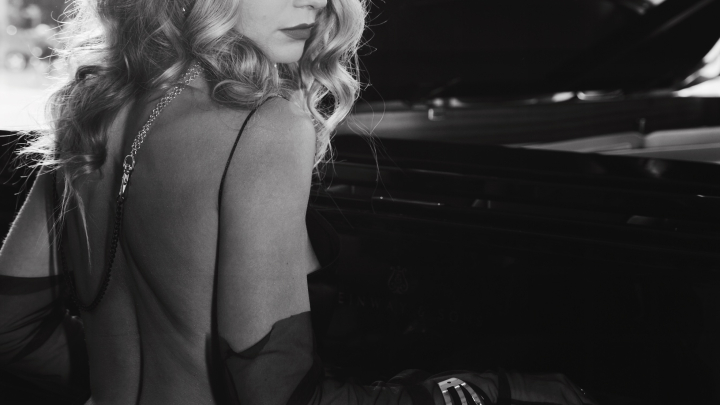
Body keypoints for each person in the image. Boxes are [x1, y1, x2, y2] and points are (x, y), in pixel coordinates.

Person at [0, 0, 599, 404]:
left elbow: (11, 328)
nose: (314, 1)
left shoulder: (90, 108)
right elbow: (276, 391)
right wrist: (480, 392)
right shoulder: (263, 125)